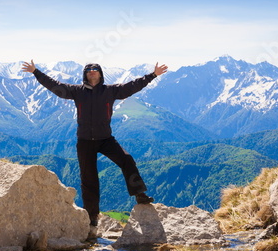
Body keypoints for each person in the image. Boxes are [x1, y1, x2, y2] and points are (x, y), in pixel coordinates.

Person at [22, 60, 168, 235]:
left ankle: (140, 194)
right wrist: (36, 72)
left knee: (126, 159)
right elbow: (55, 86)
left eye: (95, 69)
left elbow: (132, 87)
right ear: (85, 74)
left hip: (106, 138)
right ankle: (92, 217)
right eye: (89, 70)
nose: (92, 71)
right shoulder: (77, 91)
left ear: (100, 73)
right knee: (88, 178)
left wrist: (152, 75)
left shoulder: (110, 91)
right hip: (84, 141)